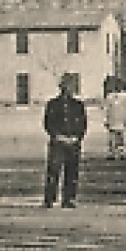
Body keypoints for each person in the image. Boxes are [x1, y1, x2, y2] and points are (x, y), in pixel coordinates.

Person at [42, 73, 87, 208]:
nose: (68, 89)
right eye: (66, 86)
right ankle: (50, 198)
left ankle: (69, 198)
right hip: (58, 142)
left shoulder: (78, 105)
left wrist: (76, 138)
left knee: (72, 171)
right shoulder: (53, 104)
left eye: (70, 86)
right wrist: (57, 136)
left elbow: (83, 124)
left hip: (73, 142)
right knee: (54, 170)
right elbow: (48, 123)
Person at [102, 76, 126, 161]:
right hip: (112, 119)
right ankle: (111, 153)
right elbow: (107, 109)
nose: (117, 87)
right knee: (111, 137)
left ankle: (121, 153)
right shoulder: (110, 97)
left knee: (120, 137)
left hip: (121, 119)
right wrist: (106, 119)